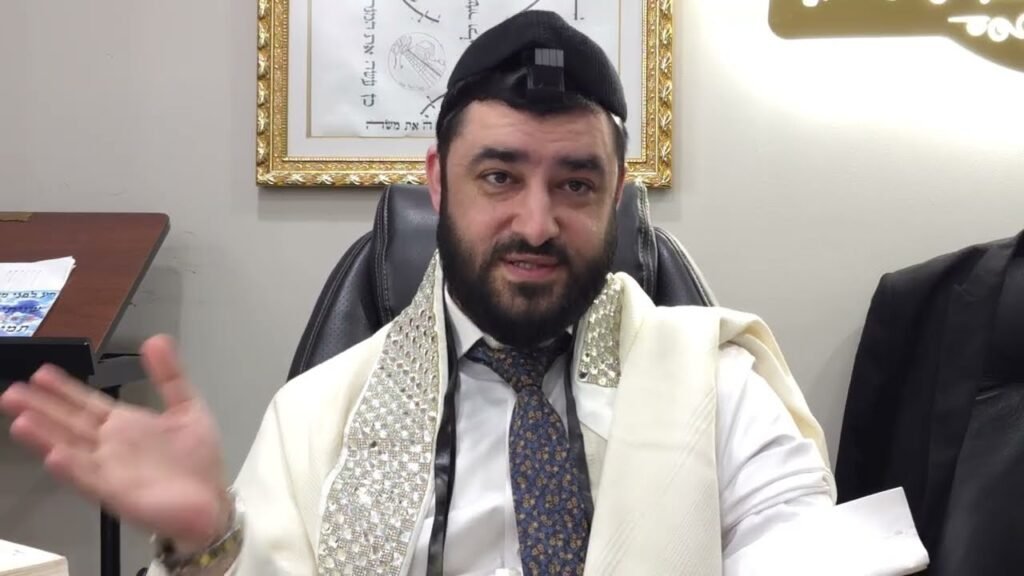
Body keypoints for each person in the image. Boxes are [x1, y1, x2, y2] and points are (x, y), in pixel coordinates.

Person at [1, 11, 837, 575]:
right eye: (499, 176)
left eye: (576, 185)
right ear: (438, 181)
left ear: (617, 194)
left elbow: (796, 542)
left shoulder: (718, 386)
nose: (536, 223)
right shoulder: (315, 417)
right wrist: (207, 542)